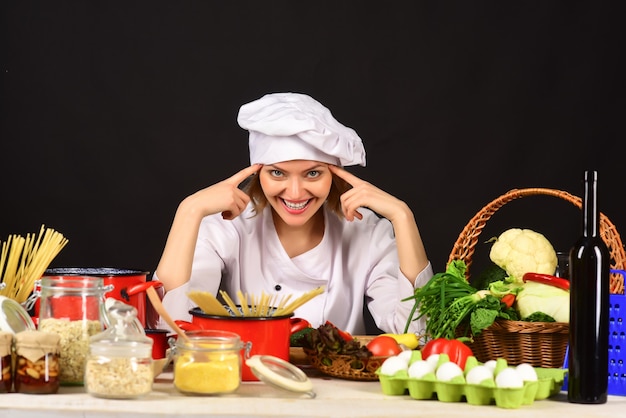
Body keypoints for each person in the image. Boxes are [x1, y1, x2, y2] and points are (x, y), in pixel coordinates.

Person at [153, 92, 433, 335]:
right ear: (257, 172)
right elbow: (169, 327)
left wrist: (402, 216)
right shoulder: (231, 225)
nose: (296, 192)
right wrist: (188, 211)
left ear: (335, 174)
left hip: (342, 389)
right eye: (278, 173)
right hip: (253, 384)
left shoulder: (366, 232)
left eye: (313, 173)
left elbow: (418, 333)